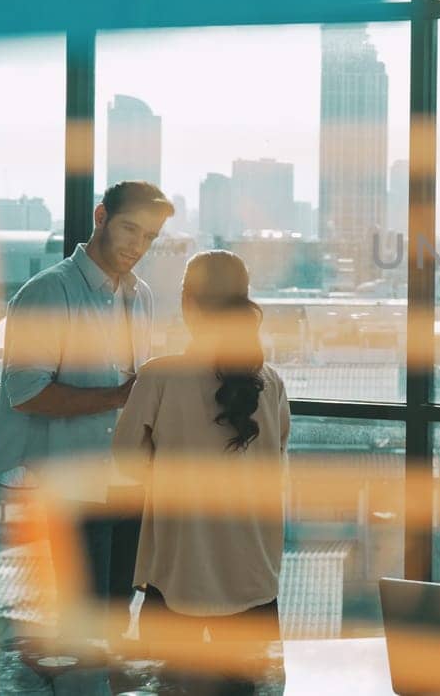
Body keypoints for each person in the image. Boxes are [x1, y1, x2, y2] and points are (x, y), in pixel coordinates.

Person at [0, 180, 173, 635]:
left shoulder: (142, 297)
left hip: (128, 483)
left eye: (149, 237)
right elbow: (27, 392)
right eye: (129, 229)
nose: (138, 246)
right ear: (100, 218)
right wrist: (118, 397)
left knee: (115, 616)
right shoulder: (49, 293)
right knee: (80, 625)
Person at [113, 251, 288, 696]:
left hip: (179, 577)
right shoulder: (271, 383)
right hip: (253, 579)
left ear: (187, 305)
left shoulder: (159, 378)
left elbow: (125, 462)